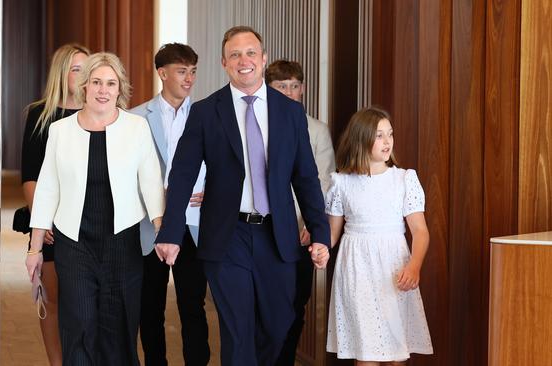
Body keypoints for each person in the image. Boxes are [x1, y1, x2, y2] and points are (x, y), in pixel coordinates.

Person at [154, 26, 331, 366]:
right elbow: (182, 175)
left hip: (276, 236)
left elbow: (305, 177)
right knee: (238, 330)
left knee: (279, 324)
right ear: (224, 63)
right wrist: (171, 232)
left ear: (263, 59)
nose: (243, 60)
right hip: (227, 236)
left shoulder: (289, 112)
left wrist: (319, 232)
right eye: (235, 54)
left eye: (250, 53)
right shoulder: (207, 112)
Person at [25, 52, 165, 365]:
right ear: (84, 87)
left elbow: (151, 182)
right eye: (96, 82)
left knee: (118, 329)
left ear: (120, 89)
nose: (103, 89)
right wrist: (35, 249)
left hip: (122, 242)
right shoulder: (61, 130)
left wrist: (160, 228)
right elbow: (48, 188)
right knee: (79, 325)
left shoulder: (136, 128)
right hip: (74, 243)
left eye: (111, 83)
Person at [324, 106, 433, 364]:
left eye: (390, 134)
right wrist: (317, 243)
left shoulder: (404, 179)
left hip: (394, 268)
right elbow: (331, 234)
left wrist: (414, 266)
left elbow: (420, 231)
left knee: (396, 350)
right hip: (356, 270)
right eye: (379, 135)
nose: (387, 141)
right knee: (366, 349)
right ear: (361, 139)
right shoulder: (341, 183)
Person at [130, 43, 210, 366]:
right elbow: (126, 172)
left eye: (192, 71)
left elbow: (226, 165)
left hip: (194, 225)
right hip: (152, 226)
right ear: (162, 74)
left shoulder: (208, 115)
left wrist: (213, 193)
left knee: (194, 306)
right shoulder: (136, 118)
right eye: (181, 71)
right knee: (150, 308)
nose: (189, 78)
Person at [20, 42, 89, 365]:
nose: (84, 75)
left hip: (91, 222)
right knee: (52, 300)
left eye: (87, 68)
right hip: (51, 224)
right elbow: (30, 177)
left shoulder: (100, 113)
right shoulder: (40, 114)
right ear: (63, 73)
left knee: (87, 301)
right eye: (77, 69)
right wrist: (41, 221)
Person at [265, 59, 335, 366]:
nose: (290, 92)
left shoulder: (317, 130)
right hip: (266, 228)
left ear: (303, 89)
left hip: (301, 230)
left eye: (295, 85)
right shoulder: (258, 124)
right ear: (269, 89)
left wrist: (310, 220)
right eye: (282, 86)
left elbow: (323, 179)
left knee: (295, 304)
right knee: (265, 304)